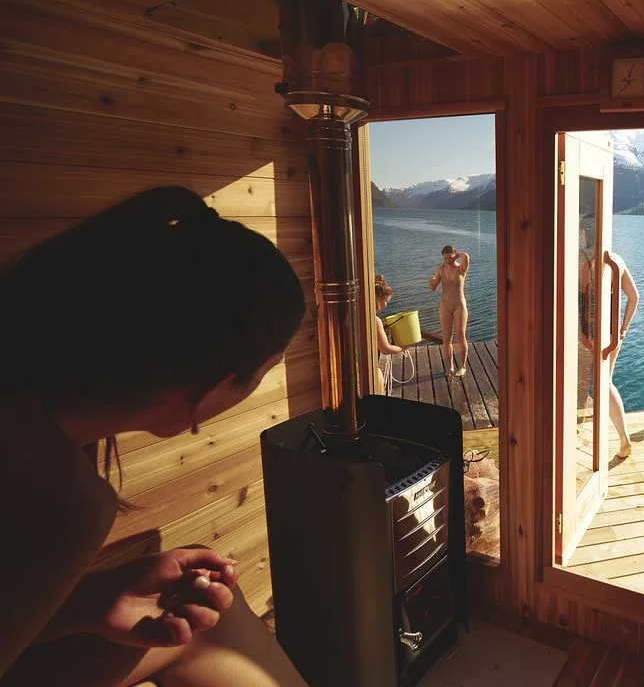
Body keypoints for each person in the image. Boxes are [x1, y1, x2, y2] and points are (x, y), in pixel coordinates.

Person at [0, 187, 309, 686]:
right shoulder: (60, 500)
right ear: (206, 391)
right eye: (261, 375)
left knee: (214, 624)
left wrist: (96, 599)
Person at [579, 216, 639, 459]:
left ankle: (624, 440)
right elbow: (634, 297)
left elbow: (584, 305)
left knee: (600, 385)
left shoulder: (586, 261)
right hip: (613, 334)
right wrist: (623, 328)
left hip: (593, 335)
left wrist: (584, 335)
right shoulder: (616, 260)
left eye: (583, 230)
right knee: (606, 381)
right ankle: (617, 437)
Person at [428, 245, 470, 378]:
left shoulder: (461, 269)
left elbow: (466, 257)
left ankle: (462, 367)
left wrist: (458, 256)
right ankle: (450, 367)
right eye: (445, 259)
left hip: (459, 305)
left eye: (450, 258)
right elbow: (433, 288)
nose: (447, 261)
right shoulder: (440, 269)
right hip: (445, 305)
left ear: (455, 255)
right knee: (446, 338)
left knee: (460, 336)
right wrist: (431, 282)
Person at [373, 274, 405, 394]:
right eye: (386, 301)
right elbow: (385, 349)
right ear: (377, 299)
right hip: (371, 371)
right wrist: (402, 348)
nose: (386, 305)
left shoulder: (360, 314)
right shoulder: (374, 320)